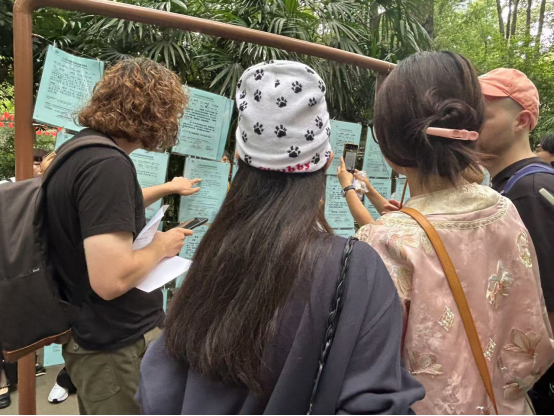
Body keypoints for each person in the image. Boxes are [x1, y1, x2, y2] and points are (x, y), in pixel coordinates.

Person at [139, 60, 424, 415]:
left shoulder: (212, 256)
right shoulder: (356, 269)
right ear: (326, 160)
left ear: (239, 157)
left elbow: (159, 384)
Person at [339, 51, 554, 414]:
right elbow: (535, 339)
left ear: (391, 147)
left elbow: (366, 376)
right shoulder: (505, 209)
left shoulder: (382, 241)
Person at [44, 58, 196, 416]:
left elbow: (105, 207)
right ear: (155, 113)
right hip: (113, 345)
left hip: (97, 334)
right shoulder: (107, 165)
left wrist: (167, 188)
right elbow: (110, 281)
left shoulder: (82, 151)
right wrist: (161, 246)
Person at [477, 69, 554, 415]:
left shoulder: (528, 190)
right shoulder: (514, 185)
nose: (472, 123)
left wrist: (517, 382)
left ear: (521, 121)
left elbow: (547, 304)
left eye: (483, 115)